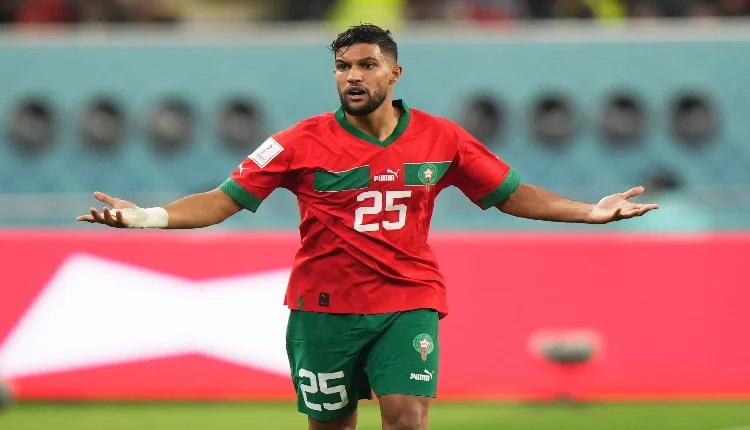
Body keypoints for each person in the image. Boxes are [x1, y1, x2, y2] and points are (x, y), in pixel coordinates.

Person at [77, 23, 658, 430]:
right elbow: (220, 202)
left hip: (409, 298)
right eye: (342, 67)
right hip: (323, 308)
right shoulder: (296, 143)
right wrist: (146, 217)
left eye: (366, 65)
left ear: (394, 72)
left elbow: (512, 194)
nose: (352, 76)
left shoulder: (443, 138)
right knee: (332, 425)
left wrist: (590, 211)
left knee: (407, 417)